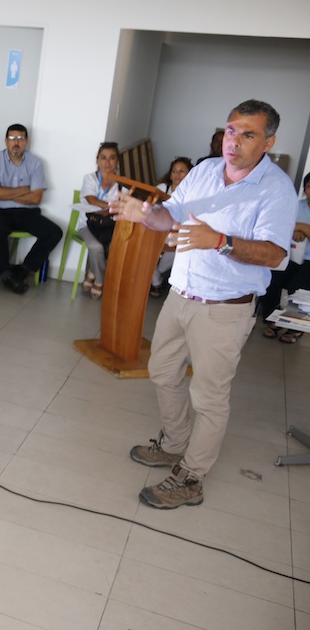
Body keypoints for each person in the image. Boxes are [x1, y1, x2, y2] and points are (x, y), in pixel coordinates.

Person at [112, 99, 297, 510]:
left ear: (268, 142)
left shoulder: (275, 189)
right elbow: (171, 216)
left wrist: (220, 241)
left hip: (226, 307)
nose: (234, 141)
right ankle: (175, 443)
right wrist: (143, 213)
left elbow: (275, 254)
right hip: (181, 294)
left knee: (209, 396)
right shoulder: (204, 171)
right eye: (231, 130)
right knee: (161, 372)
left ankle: (192, 477)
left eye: (248, 134)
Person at [0, 124, 63, 294]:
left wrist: (6, 193)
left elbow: (36, 198)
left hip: (26, 212)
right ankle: (6, 273)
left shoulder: (35, 163)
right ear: (6, 141)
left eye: (20, 138)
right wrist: (24, 189)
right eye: (12, 138)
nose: (16, 142)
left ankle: (24, 269)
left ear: (26, 141)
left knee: (54, 232)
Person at [259, 171, 310, 344]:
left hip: (309, 260)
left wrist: (301, 227)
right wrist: (297, 230)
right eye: (309, 186)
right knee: (272, 280)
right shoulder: (297, 205)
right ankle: (273, 319)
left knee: (298, 287)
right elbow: (282, 225)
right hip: (294, 254)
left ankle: (295, 326)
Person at [76, 142, 123, 299]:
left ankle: (92, 273)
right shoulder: (89, 178)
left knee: (119, 248)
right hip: (87, 225)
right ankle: (100, 281)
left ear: (117, 161)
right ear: (97, 160)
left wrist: (108, 208)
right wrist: (111, 207)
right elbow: (91, 200)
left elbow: (123, 207)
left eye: (112, 158)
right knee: (96, 248)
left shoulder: (123, 185)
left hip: (109, 227)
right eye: (103, 158)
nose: (107, 162)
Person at [150, 157, 193, 297]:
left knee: (174, 251)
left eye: (182, 172)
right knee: (146, 256)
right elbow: (151, 209)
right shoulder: (162, 189)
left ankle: (157, 278)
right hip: (157, 231)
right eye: (174, 171)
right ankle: (156, 281)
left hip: (176, 234)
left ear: (190, 174)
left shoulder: (192, 193)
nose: (177, 175)